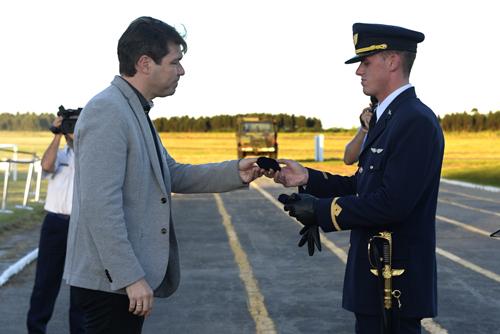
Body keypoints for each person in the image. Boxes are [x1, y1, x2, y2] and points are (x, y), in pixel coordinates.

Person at [63, 16, 265, 333]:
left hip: (117, 281)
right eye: (175, 62)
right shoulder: (108, 110)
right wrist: (130, 276)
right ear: (145, 63)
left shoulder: (133, 109)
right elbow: (100, 205)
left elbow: (169, 173)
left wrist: (234, 172)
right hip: (110, 282)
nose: (181, 71)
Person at [268, 23, 444, 333]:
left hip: (394, 285)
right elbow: (363, 187)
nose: (358, 71)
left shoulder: (413, 120)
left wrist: (321, 212)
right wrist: (308, 178)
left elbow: (393, 203)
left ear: (392, 62)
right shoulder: (389, 118)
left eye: (366, 61)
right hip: (376, 281)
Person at [27, 115, 85, 334]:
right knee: (45, 282)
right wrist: (58, 134)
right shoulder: (58, 154)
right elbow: (46, 165)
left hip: (82, 227)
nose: (73, 128)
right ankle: (35, 330)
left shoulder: (90, 155)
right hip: (55, 224)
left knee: (81, 284)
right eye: (69, 124)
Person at [343, 96, 377, 165]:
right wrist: (364, 129)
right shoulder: (369, 125)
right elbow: (348, 159)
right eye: (378, 108)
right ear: (370, 107)